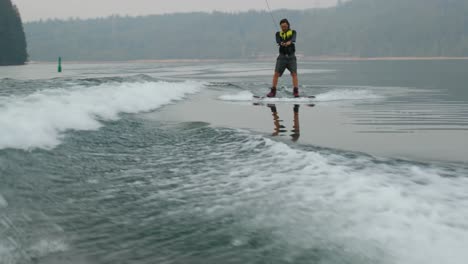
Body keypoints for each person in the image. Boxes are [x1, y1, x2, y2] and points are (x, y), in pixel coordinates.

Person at [267, 18, 299, 98]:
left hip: (291, 57)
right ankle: (273, 91)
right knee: (276, 74)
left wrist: (289, 42)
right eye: (282, 27)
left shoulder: (293, 32)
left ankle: (295, 91)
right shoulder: (278, 33)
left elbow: (293, 38)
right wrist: (282, 43)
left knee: (294, 74)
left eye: (285, 26)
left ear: (288, 25)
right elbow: (278, 40)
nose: (283, 28)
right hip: (282, 57)